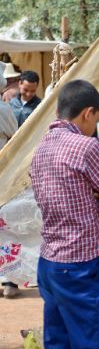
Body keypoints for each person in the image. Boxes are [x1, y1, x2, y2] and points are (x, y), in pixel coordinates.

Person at [30, 80, 99, 349]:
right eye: (96, 118)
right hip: (82, 263)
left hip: (50, 263)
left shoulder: (41, 148)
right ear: (88, 113)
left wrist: (96, 197)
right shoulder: (86, 147)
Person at [0, 62, 19, 298]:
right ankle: (8, 279)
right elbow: (15, 142)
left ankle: (8, 279)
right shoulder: (4, 111)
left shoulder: (4, 111)